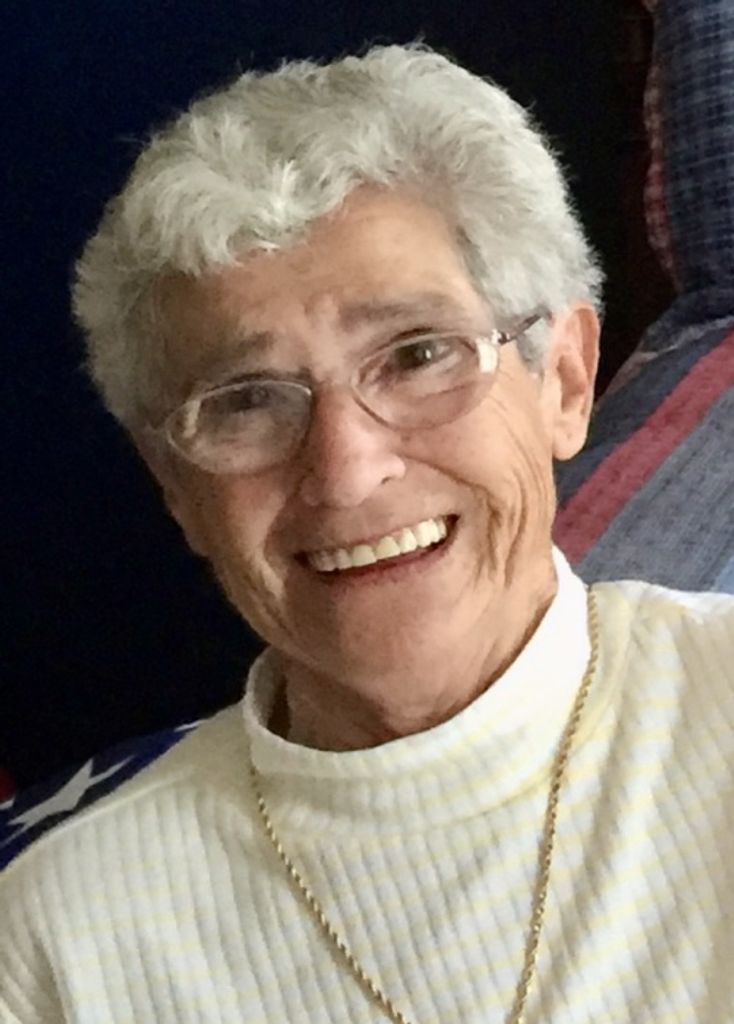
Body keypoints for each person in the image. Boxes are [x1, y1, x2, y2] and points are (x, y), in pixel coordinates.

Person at [1, 43, 732, 1024]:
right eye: (247, 399)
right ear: (174, 486)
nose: (344, 470)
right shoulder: (59, 941)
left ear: (562, 379)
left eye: (418, 354)